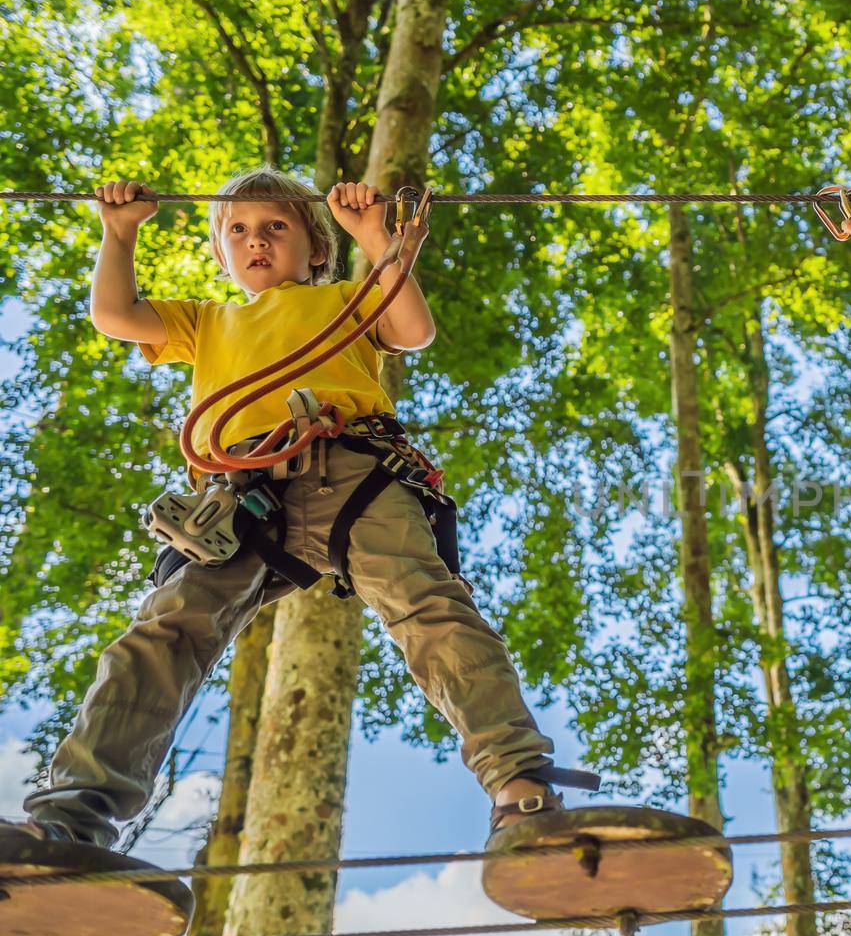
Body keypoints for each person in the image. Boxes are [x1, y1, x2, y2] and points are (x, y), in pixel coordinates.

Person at [11, 167, 582, 854]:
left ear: (315, 247)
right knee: (167, 630)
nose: (256, 240)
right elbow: (115, 313)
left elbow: (411, 326)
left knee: (430, 606)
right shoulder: (206, 319)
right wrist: (119, 232)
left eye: (276, 226)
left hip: (351, 467)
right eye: (239, 230)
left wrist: (377, 238)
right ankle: (72, 817)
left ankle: (520, 786)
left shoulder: (348, 298)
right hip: (237, 493)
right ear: (222, 253)